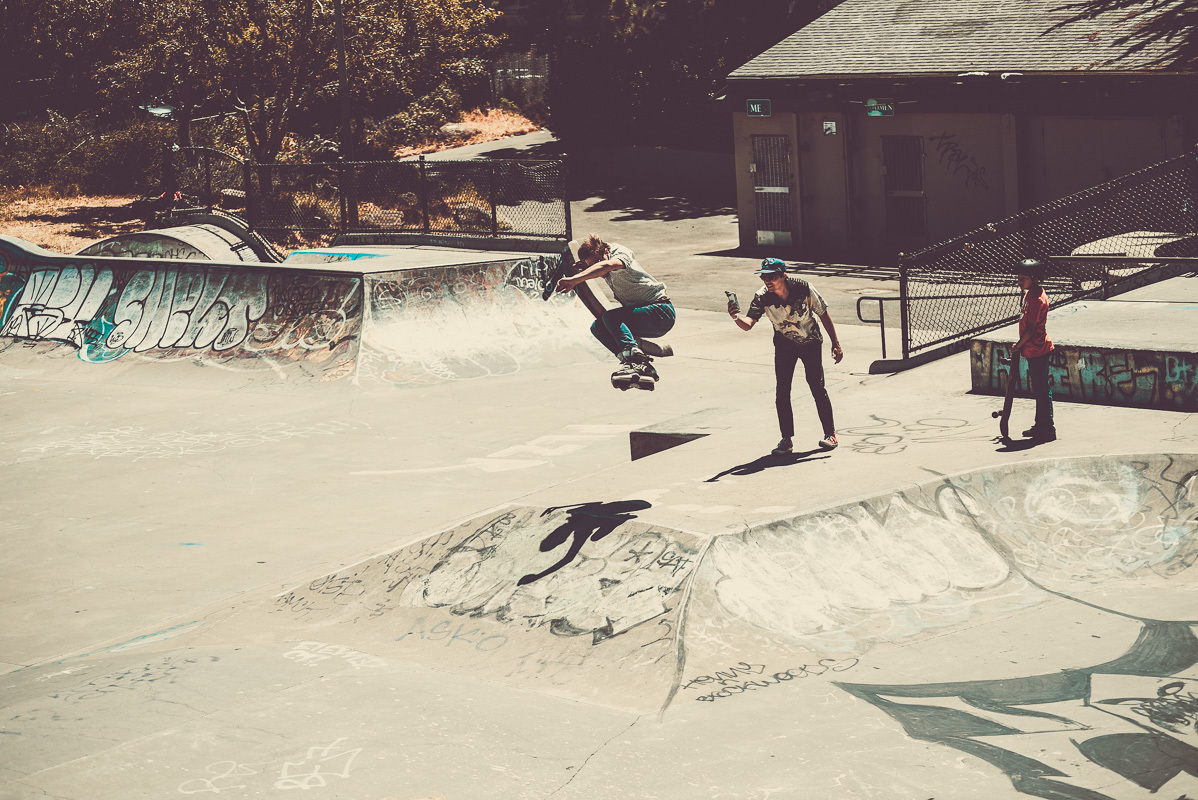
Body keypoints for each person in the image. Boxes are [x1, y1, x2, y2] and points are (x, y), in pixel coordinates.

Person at [728, 258, 843, 453]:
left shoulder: (803, 288)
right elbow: (748, 324)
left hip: (810, 342)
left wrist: (836, 344)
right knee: (782, 391)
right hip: (784, 346)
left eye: (771, 276)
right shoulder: (762, 296)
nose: (767, 281)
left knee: (817, 387)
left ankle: (830, 434)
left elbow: (823, 313)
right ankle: (786, 439)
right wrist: (735, 316)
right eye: (764, 277)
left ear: (783, 275)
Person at [556, 233, 675, 385]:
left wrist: (575, 279)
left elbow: (608, 265)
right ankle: (639, 365)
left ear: (605, 251)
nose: (598, 267)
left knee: (611, 317)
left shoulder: (618, 252)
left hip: (660, 311)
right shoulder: (602, 264)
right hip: (647, 319)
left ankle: (634, 358)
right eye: (592, 265)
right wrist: (587, 267)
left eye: (598, 261)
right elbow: (601, 267)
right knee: (598, 327)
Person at [1012, 258, 1055, 441]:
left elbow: (1031, 329)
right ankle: (1041, 425)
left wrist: (1018, 345)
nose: (1019, 282)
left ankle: (1047, 429)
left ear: (1034, 278)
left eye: (1023, 278)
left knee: (1042, 390)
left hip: (1038, 348)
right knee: (1039, 389)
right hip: (1032, 348)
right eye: (1018, 278)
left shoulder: (1037, 299)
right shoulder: (1030, 293)